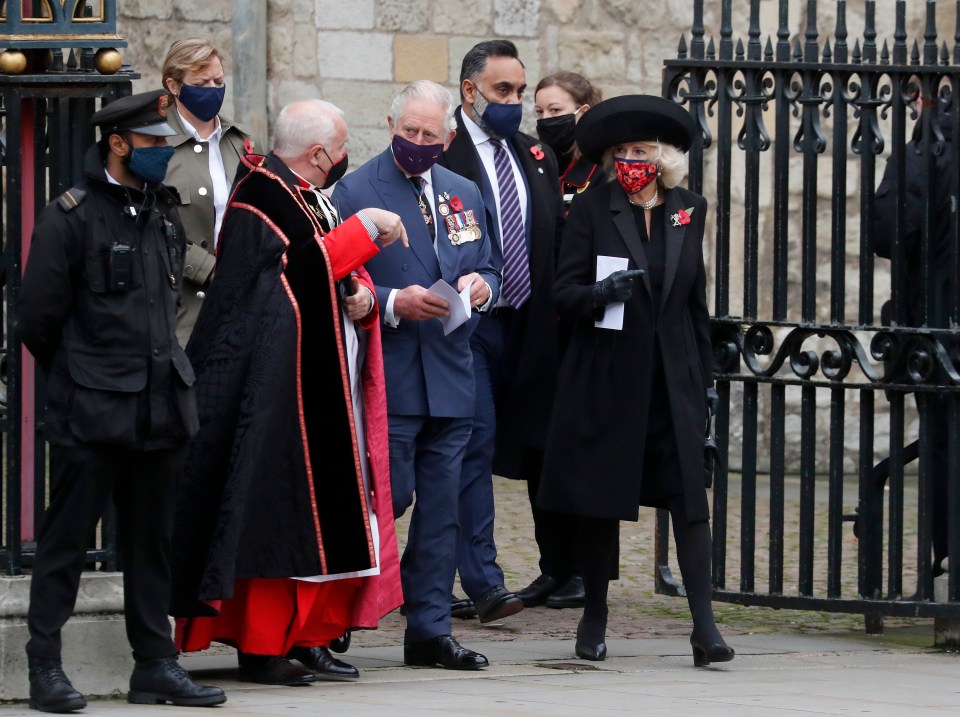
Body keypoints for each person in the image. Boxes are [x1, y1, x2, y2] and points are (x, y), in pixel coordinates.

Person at [169, 99, 406, 685]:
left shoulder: (307, 194)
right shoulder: (261, 196)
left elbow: (327, 275)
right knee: (275, 511)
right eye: (342, 145)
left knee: (329, 514)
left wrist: (362, 294)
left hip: (325, 378)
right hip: (277, 391)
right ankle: (262, 643)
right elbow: (279, 280)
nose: (345, 155)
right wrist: (364, 232)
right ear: (320, 152)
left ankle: (311, 636)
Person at [17, 90, 226, 712]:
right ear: (118, 144)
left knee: (151, 543)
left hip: (161, 409)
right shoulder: (71, 216)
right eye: (154, 144)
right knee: (66, 543)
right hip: (93, 411)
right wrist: (86, 376)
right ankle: (45, 668)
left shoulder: (161, 211)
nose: (165, 152)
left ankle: (155, 664)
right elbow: (37, 321)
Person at [538, 95, 735, 667]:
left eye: (640, 151)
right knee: (601, 502)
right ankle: (594, 615)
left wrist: (706, 382)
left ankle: (705, 628)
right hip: (606, 378)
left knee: (688, 502)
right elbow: (563, 292)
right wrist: (600, 294)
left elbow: (695, 304)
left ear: (662, 156)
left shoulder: (688, 209)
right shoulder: (593, 209)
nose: (630, 160)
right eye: (621, 152)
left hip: (672, 381)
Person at [333, 79, 500, 669]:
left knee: (443, 506)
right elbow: (335, 280)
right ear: (391, 125)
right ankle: (340, 614)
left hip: (453, 374)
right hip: (393, 374)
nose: (420, 142)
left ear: (448, 136)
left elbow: (489, 267)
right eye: (410, 132)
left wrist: (481, 288)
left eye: (431, 135)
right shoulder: (355, 189)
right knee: (386, 497)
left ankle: (428, 630)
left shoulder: (463, 190)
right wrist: (390, 300)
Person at [438, 39, 565, 622]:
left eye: (520, 90)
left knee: (537, 441)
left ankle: (565, 567)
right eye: (503, 92)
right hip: (471, 326)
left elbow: (551, 241)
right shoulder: (441, 153)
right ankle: (483, 581)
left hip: (530, 323)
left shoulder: (535, 155)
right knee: (475, 443)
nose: (515, 102)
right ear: (470, 92)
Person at [511, 71, 608, 611]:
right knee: (540, 453)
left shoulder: (606, 172)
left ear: (586, 108)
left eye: (558, 110)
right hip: (544, 329)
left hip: (588, 332)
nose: (548, 121)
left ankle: (583, 570)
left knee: (579, 455)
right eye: (541, 112)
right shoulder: (541, 168)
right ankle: (554, 565)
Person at [873, 94, 956, 578]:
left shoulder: (923, 153)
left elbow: (888, 233)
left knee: (943, 439)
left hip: (935, 324)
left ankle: (949, 554)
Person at [160, 38, 259, 346]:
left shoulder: (240, 141)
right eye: (201, 83)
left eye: (218, 81)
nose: (213, 89)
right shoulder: (156, 143)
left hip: (240, 307)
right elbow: (152, 225)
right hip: (180, 312)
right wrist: (210, 269)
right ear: (174, 86)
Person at [534, 71, 605, 212]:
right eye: (539, 111)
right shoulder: (535, 162)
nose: (545, 118)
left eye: (555, 110)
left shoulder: (603, 166)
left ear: (583, 112)